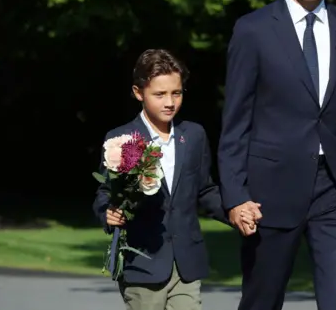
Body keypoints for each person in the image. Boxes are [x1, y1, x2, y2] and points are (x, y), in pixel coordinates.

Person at [218, 0, 336, 310]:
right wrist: (235, 196)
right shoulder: (252, 30)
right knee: (261, 302)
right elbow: (235, 121)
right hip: (270, 191)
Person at [92, 49, 261, 310]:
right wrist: (108, 213)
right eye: (159, 94)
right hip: (143, 263)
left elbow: (205, 190)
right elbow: (104, 192)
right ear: (139, 93)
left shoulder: (193, 135)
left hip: (186, 262)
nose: (169, 102)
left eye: (176, 93)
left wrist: (234, 209)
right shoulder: (121, 140)